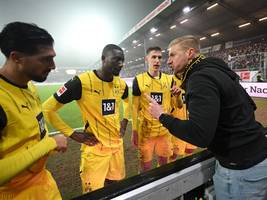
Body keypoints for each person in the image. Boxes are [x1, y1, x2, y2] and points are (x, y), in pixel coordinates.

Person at [147, 35, 267, 199]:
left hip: (240, 170)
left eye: (173, 55)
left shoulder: (200, 78)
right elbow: (249, 107)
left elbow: (199, 134)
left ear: (190, 53)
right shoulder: (215, 70)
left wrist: (162, 116)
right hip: (256, 157)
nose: (168, 61)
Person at [42, 44, 129, 193]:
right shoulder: (81, 82)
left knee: (115, 190)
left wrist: (125, 120)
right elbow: (47, 108)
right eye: (116, 59)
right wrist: (73, 134)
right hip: (95, 151)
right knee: (93, 194)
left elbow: (127, 101)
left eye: (122, 60)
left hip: (117, 148)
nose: (120, 64)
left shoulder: (121, 84)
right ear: (103, 59)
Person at [0, 22, 67, 199]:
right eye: (45, 59)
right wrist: (50, 143)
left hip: (44, 185)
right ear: (16, 58)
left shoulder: (29, 86)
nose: (53, 65)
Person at [131, 46, 173, 172]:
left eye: (159, 57)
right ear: (146, 59)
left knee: (164, 164)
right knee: (145, 167)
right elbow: (134, 107)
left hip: (164, 131)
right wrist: (134, 130)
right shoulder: (138, 80)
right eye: (153, 57)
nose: (157, 60)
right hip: (146, 132)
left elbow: (174, 105)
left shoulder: (169, 79)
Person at [169, 73, 197, 161]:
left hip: (191, 123)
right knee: (173, 154)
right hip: (177, 124)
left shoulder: (191, 80)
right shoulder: (170, 81)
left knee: (189, 150)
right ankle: (169, 173)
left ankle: (185, 170)